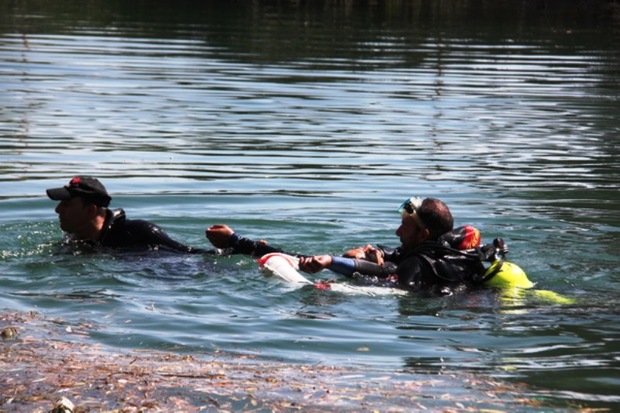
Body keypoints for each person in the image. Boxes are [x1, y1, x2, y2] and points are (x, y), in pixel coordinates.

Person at [206, 197, 489, 293]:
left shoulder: (420, 265)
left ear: (424, 234)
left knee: (310, 261)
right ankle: (237, 242)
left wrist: (332, 262)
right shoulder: (444, 252)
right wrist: (371, 252)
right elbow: (392, 257)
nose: (396, 230)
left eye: (405, 226)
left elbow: (383, 277)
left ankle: (238, 242)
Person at [47, 176, 203, 253]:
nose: (57, 210)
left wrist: (227, 244)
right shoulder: (74, 240)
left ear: (90, 210)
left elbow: (189, 254)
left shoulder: (139, 232)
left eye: (66, 204)